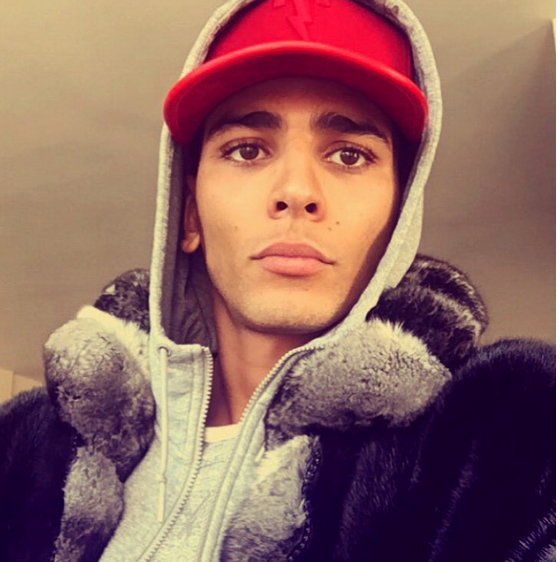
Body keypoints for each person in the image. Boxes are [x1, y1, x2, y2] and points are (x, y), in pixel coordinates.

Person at [0, 0, 554, 561]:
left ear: (399, 218)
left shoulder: (510, 433)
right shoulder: (22, 449)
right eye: (246, 150)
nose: (297, 190)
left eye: (349, 155)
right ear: (189, 216)